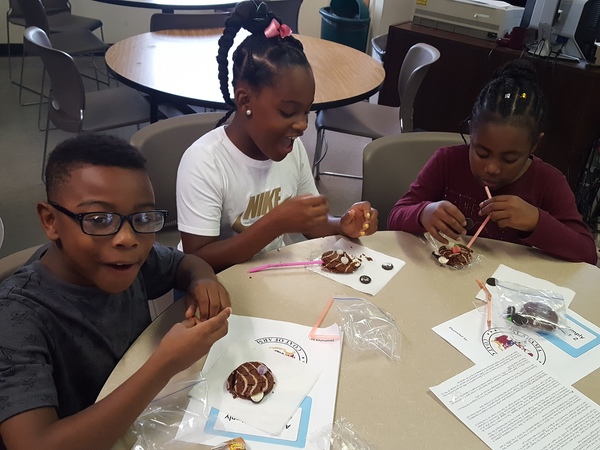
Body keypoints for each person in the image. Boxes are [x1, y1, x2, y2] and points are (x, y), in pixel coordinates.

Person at [0, 134, 232, 450]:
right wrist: (164, 364)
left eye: (143, 218)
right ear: (51, 221)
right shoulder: (16, 318)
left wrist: (203, 281)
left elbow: (187, 263)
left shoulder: (131, 259)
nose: (127, 238)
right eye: (99, 219)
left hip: (142, 418)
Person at [176, 0, 378, 273]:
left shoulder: (290, 149)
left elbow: (312, 223)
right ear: (244, 100)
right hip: (213, 287)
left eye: (306, 112)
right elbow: (196, 259)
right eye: (287, 112)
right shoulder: (204, 162)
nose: (302, 125)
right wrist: (276, 223)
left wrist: (341, 224)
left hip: (266, 275)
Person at [387, 59, 597, 265]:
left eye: (509, 159)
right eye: (481, 153)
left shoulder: (548, 182)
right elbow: (395, 216)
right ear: (471, 131)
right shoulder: (446, 161)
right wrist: (423, 212)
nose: (492, 168)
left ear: (534, 145)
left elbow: (588, 253)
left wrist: (536, 220)